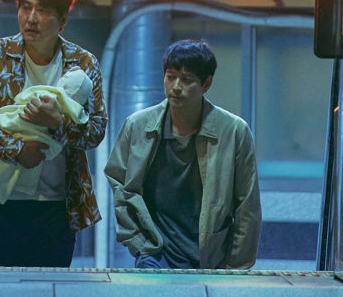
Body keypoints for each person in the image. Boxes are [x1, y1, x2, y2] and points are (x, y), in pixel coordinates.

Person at [0, 0, 107, 267]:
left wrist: (57, 123)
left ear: (62, 21)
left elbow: (97, 130)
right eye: (26, 7)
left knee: (52, 287)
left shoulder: (83, 64)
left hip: (57, 205)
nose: (32, 18)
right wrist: (17, 150)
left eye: (43, 10)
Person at [104, 39, 261, 270]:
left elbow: (247, 206)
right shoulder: (138, 126)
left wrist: (234, 268)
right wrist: (139, 243)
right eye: (170, 76)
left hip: (211, 257)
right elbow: (119, 182)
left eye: (187, 80)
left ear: (206, 84)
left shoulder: (234, 131)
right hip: (155, 254)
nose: (176, 87)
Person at [0, 68, 93, 203]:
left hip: (56, 199)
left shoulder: (85, 62)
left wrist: (56, 122)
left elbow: (95, 133)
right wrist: (17, 149)